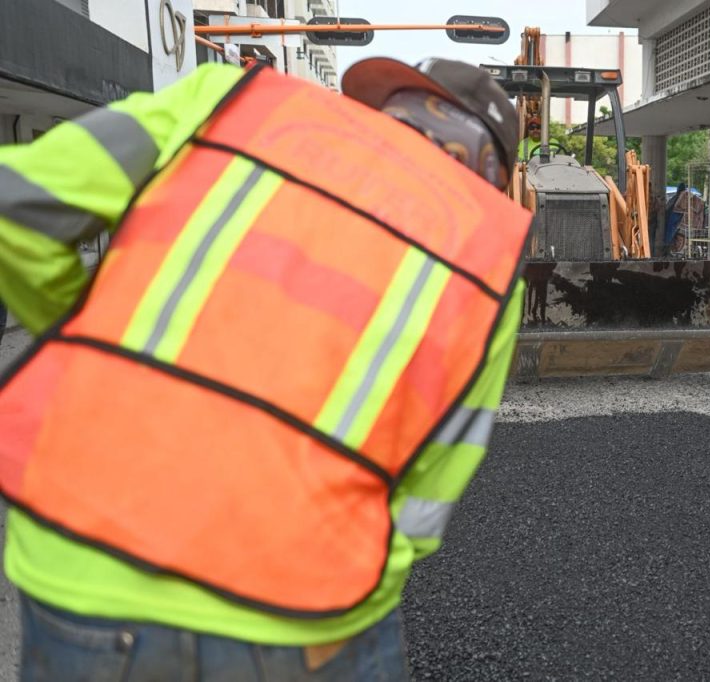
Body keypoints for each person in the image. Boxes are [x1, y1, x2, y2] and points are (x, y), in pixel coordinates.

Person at [0, 57, 530, 678]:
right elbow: (429, 488)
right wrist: (366, 584)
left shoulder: (229, 102)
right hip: (306, 607)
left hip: (84, 563)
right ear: (493, 170)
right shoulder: (488, 247)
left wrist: (94, 336)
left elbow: (14, 209)